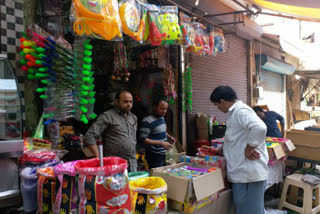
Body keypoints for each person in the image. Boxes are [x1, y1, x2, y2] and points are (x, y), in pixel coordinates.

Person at [210, 86, 268, 214]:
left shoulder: (241, 111)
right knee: (242, 207)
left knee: (252, 210)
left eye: (217, 105)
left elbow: (260, 128)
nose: (218, 108)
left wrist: (249, 148)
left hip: (249, 172)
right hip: (241, 172)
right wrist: (223, 147)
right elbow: (237, 136)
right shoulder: (234, 112)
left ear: (223, 101)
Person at [83, 90, 138, 172]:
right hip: (114, 165)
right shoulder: (107, 116)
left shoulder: (133, 118)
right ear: (116, 102)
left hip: (132, 165)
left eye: (131, 102)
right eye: (125, 101)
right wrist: (99, 158)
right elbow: (89, 136)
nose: (129, 104)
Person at [139, 99, 176, 169]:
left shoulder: (162, 118)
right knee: (156, 175)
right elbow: (143, 139)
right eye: (161, 109)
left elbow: (162, 131)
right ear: (154, 107)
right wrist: (161, 143)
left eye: (166, 109)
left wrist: (169, 137)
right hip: (154, 156)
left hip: (163, 154)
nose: (164, 111)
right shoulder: (147, 121)